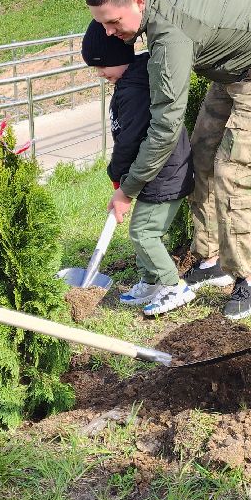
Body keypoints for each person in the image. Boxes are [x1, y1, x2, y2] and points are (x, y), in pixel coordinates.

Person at [85, 0, 251, 321]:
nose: (109, 32)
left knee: (233, 170)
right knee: (202, 156)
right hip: (233, 64)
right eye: (101, 23)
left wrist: (129, 189)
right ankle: (210, 260)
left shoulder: (170, 38)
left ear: (139, 1)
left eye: (114, 22)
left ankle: (248, 280)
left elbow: (165, 128)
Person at [82, 21, 196, 317]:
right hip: (153, 174)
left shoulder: (135, 91)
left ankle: (174, 286)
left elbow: (129, 141)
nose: (100, 74)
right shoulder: (130, 82)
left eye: (102, 66)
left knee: (145, 233)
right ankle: (151, 281)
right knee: (140, 231)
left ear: (116, 58)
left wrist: (117, 176)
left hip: (164, 173)